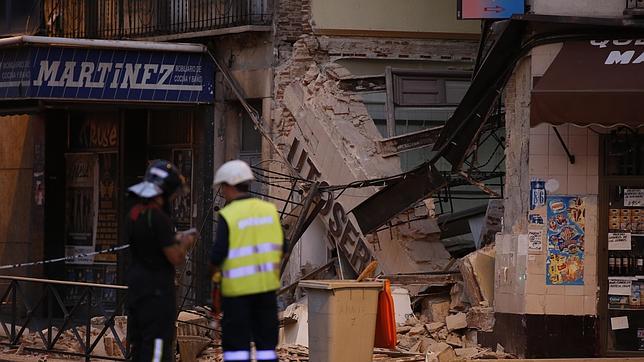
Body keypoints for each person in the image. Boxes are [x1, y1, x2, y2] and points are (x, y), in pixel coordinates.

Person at [210, 160, 284, 362]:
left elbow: (217, 256)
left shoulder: (229, 214)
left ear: (229, 185)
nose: (223, 191)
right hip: (267, 292)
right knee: (267, 349)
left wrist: (216, 279)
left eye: (223, 187)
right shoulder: (269, 210)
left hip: (237, 295)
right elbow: (282, 248)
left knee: (237, 350)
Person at [126, 159, 197, 362]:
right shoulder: (159, 217)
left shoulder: (134, 213)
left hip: (137, 289)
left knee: (139, 347)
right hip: (156, 294)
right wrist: (186, 242)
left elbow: (150, 243)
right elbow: (174, 256)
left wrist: (173, 239)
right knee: (157, 349)